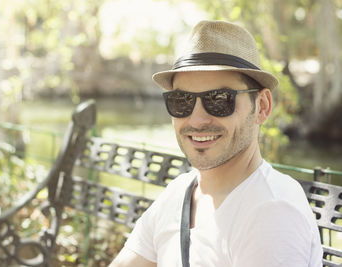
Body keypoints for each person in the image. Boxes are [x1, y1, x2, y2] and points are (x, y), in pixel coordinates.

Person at [109, 20, 323, 267]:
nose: (197, 120)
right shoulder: (179, 192)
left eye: (219, 99)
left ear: (262, 107)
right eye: (182, 100)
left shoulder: (272, 212)